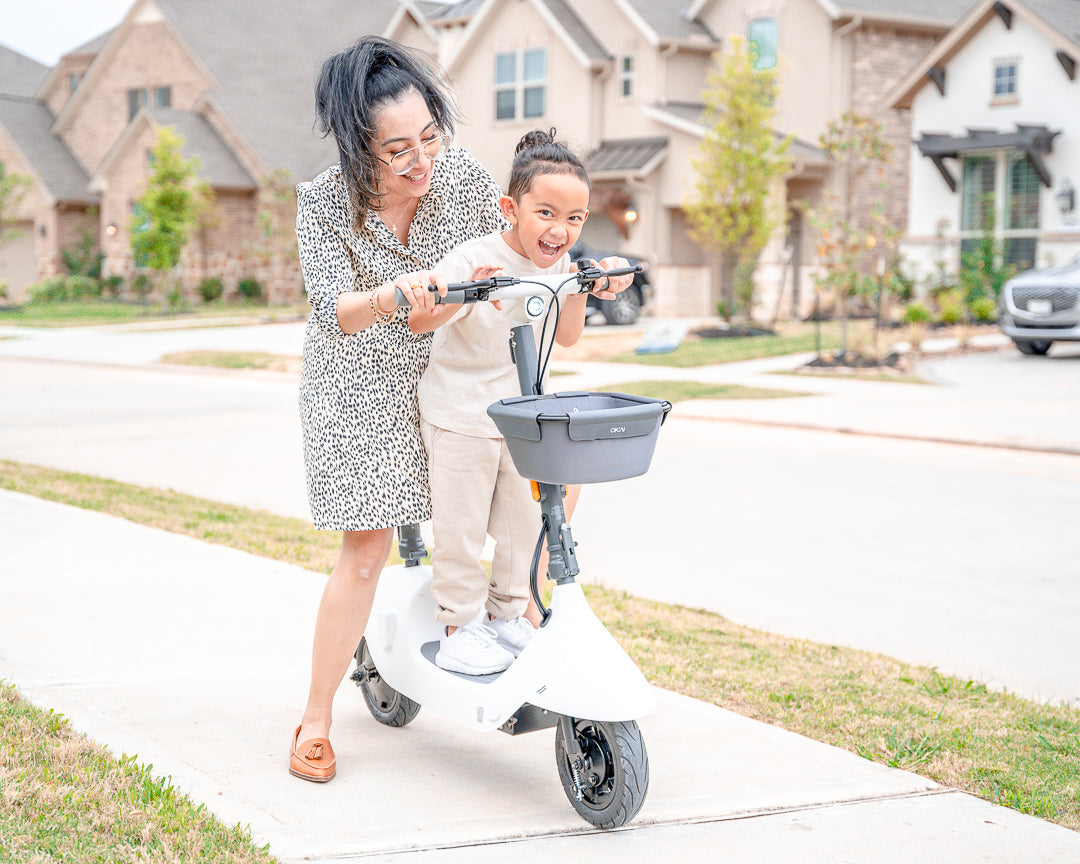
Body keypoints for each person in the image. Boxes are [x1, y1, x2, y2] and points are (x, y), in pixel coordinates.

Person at [289, 37, 631, 781]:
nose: (421, 162)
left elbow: (534, 237)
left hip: (470, 371)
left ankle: (513, 616)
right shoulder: (321, 205)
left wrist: (585, 272)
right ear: (357, 148)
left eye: (431, 138)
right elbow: (331, 312)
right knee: (368, 551)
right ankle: (315, 720)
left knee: (545, 487)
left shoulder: (464, 177)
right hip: (365, 383)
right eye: (398, 149)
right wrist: (398, 292)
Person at [409, 129, 594, 675]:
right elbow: (420, 319)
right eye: (546, 212)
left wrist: (580, 286)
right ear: (510, 209)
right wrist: (468, 294)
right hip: (461, 416)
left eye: (575, 218)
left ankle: (507, 619)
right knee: (461, 530)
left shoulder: (559, 266)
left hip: (522, 420)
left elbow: (568, 336)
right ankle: (458, 627)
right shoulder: (473, 257)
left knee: (523, 527)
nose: (560, 229)